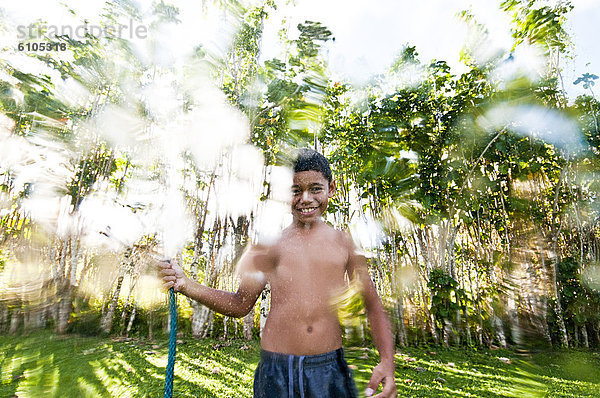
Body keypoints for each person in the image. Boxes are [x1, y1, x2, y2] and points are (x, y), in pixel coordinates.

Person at [159, 148, 397, 398]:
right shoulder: (269, 245)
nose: (306, 198)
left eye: (316, 188)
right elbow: (240, 303)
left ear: (331, 189)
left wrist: (387, 361)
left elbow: (372, 306)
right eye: (295, 191)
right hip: (276, 370)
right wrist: (186, 284)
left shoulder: (345, 244)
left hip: (328, 370)